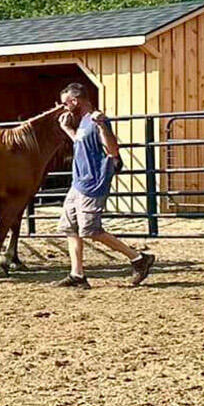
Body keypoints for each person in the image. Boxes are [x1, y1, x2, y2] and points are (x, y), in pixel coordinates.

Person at [55, 83, 153, 288]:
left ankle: (138, 258)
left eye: (65, 104)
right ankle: (77, 274)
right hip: (78, 183)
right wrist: (67, 129)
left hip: (93, 183)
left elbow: (112, 150)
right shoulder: (83, 122)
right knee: (70, 228)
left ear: (75, 101)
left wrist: (101, 126)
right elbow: (81, 143)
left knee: (91, 230)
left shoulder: (97, 120)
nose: (63, 108)